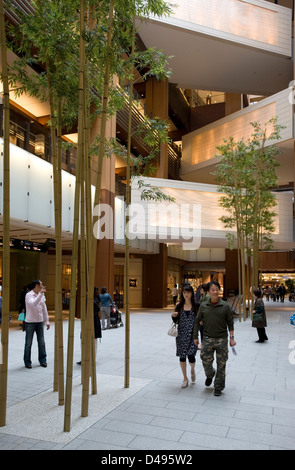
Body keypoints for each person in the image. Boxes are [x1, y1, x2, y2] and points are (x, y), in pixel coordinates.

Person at [193, 281, 235, 397]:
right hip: (207, 338)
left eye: (217, 289)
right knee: (206, 361)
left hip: (222, 339)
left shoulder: (225, 306)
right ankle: (210, 374)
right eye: (212, 290)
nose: (215, 292)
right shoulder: (204, 305)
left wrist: (232, 338)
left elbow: (230, 323)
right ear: (209, 292)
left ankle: (218, 387)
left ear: (219, 291)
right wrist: (195, 337)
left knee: (221, 365)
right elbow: (197, 321)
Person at [171, 282, 199, 388]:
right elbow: (176, 321)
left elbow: (200, 321)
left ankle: (192, 370)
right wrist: (174, 317)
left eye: (188, 292)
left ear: (192, 293)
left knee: (191, 355)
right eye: (184, 292)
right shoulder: (179, 306)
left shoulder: (196, 306)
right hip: (181, 335)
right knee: (182, 356)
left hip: (193, 335)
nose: (186, 294)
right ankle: (185, 378)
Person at [23, 280, 50, 369]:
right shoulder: (28, 295)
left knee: (41, 342)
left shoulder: (41, 295)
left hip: (40, 322)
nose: (42, 286)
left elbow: (44, 308)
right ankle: (27, 362)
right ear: (36, 286)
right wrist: (40, 294)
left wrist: (47, 321)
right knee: (28, 343)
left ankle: (43, 360)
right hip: (30, 322)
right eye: (41, 284)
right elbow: (34, 304)